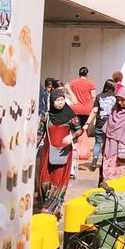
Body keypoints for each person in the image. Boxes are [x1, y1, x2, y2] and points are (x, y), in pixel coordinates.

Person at [35, 89, 85, 217]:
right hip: (47, 152)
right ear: (52, 101)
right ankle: (46, 205)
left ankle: (53, 210)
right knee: (44, 180)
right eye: (57, 100)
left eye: (62, 99)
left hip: (63, 154)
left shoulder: (71, 115)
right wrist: (31, 148)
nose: (60, 102)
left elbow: (79, 130)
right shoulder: (46, 116)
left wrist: (72, 136)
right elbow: (40, 134)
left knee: (59, 180)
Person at [87, 78, 117, 170]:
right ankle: (106, 161)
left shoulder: (99, 96)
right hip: (111, 123)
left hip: (100, 122)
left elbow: (95, 110)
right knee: (109, 142)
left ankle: (95, 159)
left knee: (98, 142)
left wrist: (87, 123)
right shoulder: (116, 97)